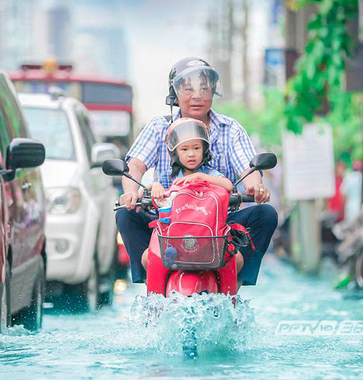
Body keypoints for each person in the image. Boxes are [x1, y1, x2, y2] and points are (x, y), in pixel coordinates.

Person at [117, 57, 277, 285]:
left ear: (213, 91)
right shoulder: (158, 126)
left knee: (266, 214)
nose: (197, 95)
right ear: (174, 93)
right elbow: (135, 165)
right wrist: (131, 192)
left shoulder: (230, 129)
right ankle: (149, 273)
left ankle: (237, 276)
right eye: (188, 89)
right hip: (166, 221)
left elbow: (248, 168)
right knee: (125, 212)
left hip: (219, 222)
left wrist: (255, 186)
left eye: (204, 88)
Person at [140, 118, 242, 271]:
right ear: (175, 153)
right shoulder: (169, 177)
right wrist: (155, 186)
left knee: (236, 259)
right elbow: (144, 191)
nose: (191, 154)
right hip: (173, 236)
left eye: (196, 148)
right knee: (147, 258)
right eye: (184, 149)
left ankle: (229, 293)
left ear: (204, 150)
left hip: (208, 235)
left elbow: (228, 185)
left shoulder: (209, 173)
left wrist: (201, 177)